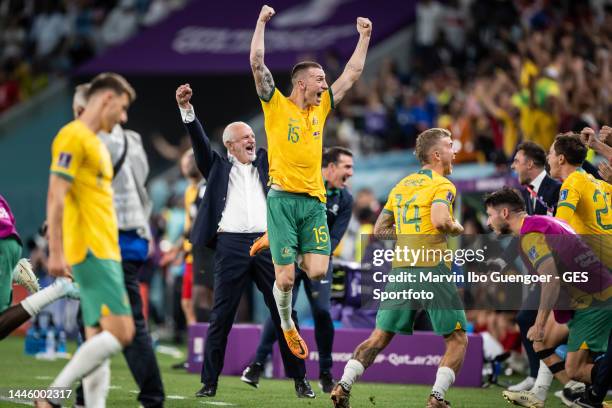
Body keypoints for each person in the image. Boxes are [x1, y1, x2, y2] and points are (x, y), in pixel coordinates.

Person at [175, 84, 314, 399]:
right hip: (231, 246)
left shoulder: (269, 161)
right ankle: (209, 383)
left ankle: (301, 380)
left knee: (283, 315)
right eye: (244, 137)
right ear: (229, 145)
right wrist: (187, 112)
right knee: (221, 316)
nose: (252, 139)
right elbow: (199, 144)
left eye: (253, 135)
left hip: (269, 244)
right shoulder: (216, 167)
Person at [249, 4, 372, 360]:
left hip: (313, 202)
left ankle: (277, 239)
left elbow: (352, 74)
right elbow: (257, 63)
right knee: (286, 281)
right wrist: (261, 23)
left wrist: (364, 37)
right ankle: (288, 324)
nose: (325, 84)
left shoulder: (321, 108)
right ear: (302, 83)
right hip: (282, 199)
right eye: (319, 79)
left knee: (317, 271)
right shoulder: (275, 104)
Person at [331, 128, 468, 408]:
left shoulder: (402, 185)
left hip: (402, 270)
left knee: (379, 336)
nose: (455, 151)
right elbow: (442, 221)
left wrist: (409, 235)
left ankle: (343, 384)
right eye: (450, 146)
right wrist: (457, 226)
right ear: (437, 154)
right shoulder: (444, 185)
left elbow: (381, 229)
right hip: (432, 269)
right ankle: (437, 397)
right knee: (457, 339)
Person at [36, 73, 136, 408]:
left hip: (105, 248)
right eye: (121, 109)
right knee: (124, 333)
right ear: (106, 99)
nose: (123, 118)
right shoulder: (73, 136)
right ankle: (50, 398)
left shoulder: (95, 142)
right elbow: (56, 195)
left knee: (96, 338)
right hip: (92, 250)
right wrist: (56, 252)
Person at [71, 83, 165, 408]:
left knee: (125, 326)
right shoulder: (134, 141)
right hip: (136, 237)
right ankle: (85, 397)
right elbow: (141, 188)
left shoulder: (89, 139)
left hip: (109, 240)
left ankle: (153, 396)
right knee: (91, 319)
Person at [485, 188, 612, 408]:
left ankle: (584, 388)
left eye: (489, 215)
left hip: (593, 300)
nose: (488, 222)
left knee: (575, 369)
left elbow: (550, 279)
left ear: (504, 213)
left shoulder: (531, 235)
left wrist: (541, 322)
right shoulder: (542, 221)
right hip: (587, 296)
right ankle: (574, 393)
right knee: (541, 343)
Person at [243, 147, 354, 393]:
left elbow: (335, 238)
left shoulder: (346, 199)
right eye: (347, 167)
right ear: (331, 167)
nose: (351, 173)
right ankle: (257, 364)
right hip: (293, 256)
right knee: (283, 310)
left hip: (319, 258)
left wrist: (315, 253)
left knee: (323, 312)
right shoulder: (306, 186)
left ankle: (326, 373)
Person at [506, 141, 561, 394]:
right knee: (527, 317)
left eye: (517, 161)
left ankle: (564, 381)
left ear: (530, 163)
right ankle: (536, 377)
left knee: (544, 323)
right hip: (543, 270)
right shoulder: (529, 192)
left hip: (562, 269)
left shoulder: (555, 189)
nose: (513, 165)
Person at [0, 195, 76, 341]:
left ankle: (58, 289)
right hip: (10, 241)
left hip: (4, 244)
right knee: (3, 322)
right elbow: (10, 221)